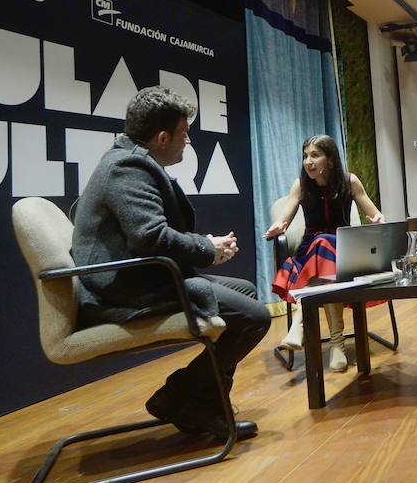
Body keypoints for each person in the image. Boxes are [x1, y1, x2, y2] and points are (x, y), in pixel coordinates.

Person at [73, 86, 270, 440]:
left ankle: (203, 406)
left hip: (138, 279)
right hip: (124, 292)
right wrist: (207, 249)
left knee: (247, 292)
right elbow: (151, 236)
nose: (188, 141)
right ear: (162, 137)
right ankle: (179, 396)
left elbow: (150, 235)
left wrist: (205, 246)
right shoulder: (127, 167)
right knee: (256, 318)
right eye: (184, 133)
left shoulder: (130, 160)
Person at [266, 134, 385, 373]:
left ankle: (301, 320)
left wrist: (379, 219)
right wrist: (279, 225)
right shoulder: (301, 185)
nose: (308, 162)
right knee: (321, 243)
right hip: (309, 254)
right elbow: (285, 216)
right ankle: (337, 344)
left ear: (329, 160)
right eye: (305, 156)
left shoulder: (350, 182)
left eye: (315, 155)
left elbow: (374, 213)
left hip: (345, 251)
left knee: (325, 244)